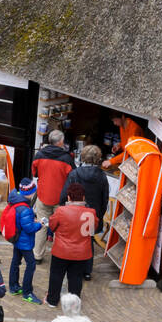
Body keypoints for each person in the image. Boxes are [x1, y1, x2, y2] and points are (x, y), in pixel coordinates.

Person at [59, 145, 110, 282]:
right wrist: (99, 214)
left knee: (72, 240)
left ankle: (70, 267)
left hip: (74, 214)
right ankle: (87, 271)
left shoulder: (74, 174)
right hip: (92, 215)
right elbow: (105, 199)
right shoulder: (102, 176)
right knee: (88, 242)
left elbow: (64, 195)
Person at [45, 183, 97, 307]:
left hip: (62, 250)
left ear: (68, 197)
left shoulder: (61, 211)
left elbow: (52, 226)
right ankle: (73, 304)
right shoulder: (91, 212)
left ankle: (52, 300)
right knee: (76, 278)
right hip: (81, 252)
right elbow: (92, 231)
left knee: (56, 275)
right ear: (83, 198)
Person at [31, 130, 75, 261]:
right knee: (59, 229)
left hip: (43, 196)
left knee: (41, 226)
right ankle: (58, 256)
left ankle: (37, 255)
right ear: (61, 142)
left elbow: (35, 174)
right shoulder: (67, 159)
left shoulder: (39, 155)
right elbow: (72, 178)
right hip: (60, 199)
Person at [3, 178, 44, 302]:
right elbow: (29, 228)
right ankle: (27, 292)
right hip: (24, 241)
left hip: (16, 238)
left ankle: (13, 286)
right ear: (30, 193)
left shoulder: (15, 200)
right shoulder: (25, 208)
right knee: (31, 264)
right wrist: (40, 224)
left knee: (15, 262)